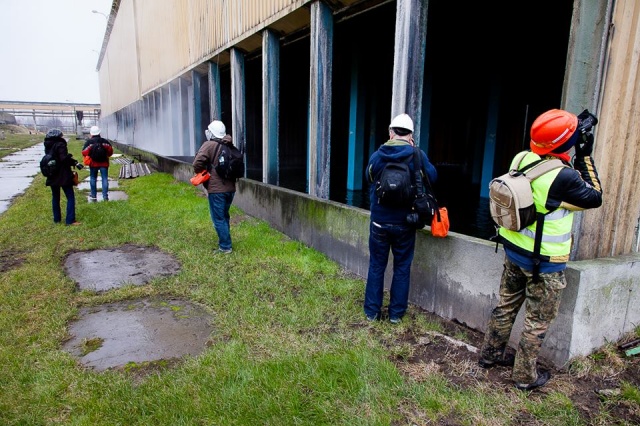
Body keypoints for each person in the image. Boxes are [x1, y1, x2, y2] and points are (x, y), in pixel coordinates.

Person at [479, 109, 603, 391]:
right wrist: (584, 155)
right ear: (564, 145)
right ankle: (524, 377)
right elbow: (595, 196)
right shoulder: (565, 178)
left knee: (506, 306)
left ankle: (491, 354)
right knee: (536, 321)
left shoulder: (521, 158)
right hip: (544, 263)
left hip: (514, 251)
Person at [363, 113, 437, 324]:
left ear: (391, 132)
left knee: (377, 265)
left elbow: (367, 177)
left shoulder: (378, 155)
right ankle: (395, 315)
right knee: (402, 267)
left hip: (379, 221)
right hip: (406, 222)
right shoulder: (417, 155)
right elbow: (433, 177)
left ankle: (371, 312)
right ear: (411, 134)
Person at [192, 120, 237, 254]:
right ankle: (225, 241)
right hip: (231, 189)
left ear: (211, 132)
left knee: (218, 218)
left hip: (217, 189)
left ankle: (225, 247)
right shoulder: (229, 144)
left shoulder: (209, 145)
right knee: (224, 216)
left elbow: (197, 163)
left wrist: (203, 172)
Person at [43, 129, 84, 225]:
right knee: (70, 196)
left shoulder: (47, 145)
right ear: (57, 136)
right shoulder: (60, 144)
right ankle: (70, 220)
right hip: (62, 174)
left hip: (52, 174)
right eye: (61, 136)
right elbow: (63, 159)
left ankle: (57, 219)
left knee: (55, 197)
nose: (62, 137)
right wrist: (73, 161)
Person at [81, 126, 113, 202]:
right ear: (99, 132)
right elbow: (110, 151)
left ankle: (93, 195)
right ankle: (105, 196)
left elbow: (84, 152)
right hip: (104, 163)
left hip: (93, 163)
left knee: (93, 178)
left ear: (91, 133)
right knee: (104, 179)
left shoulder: (89, 142)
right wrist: (106, 155)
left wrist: (90, 155)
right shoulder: (105, 141)